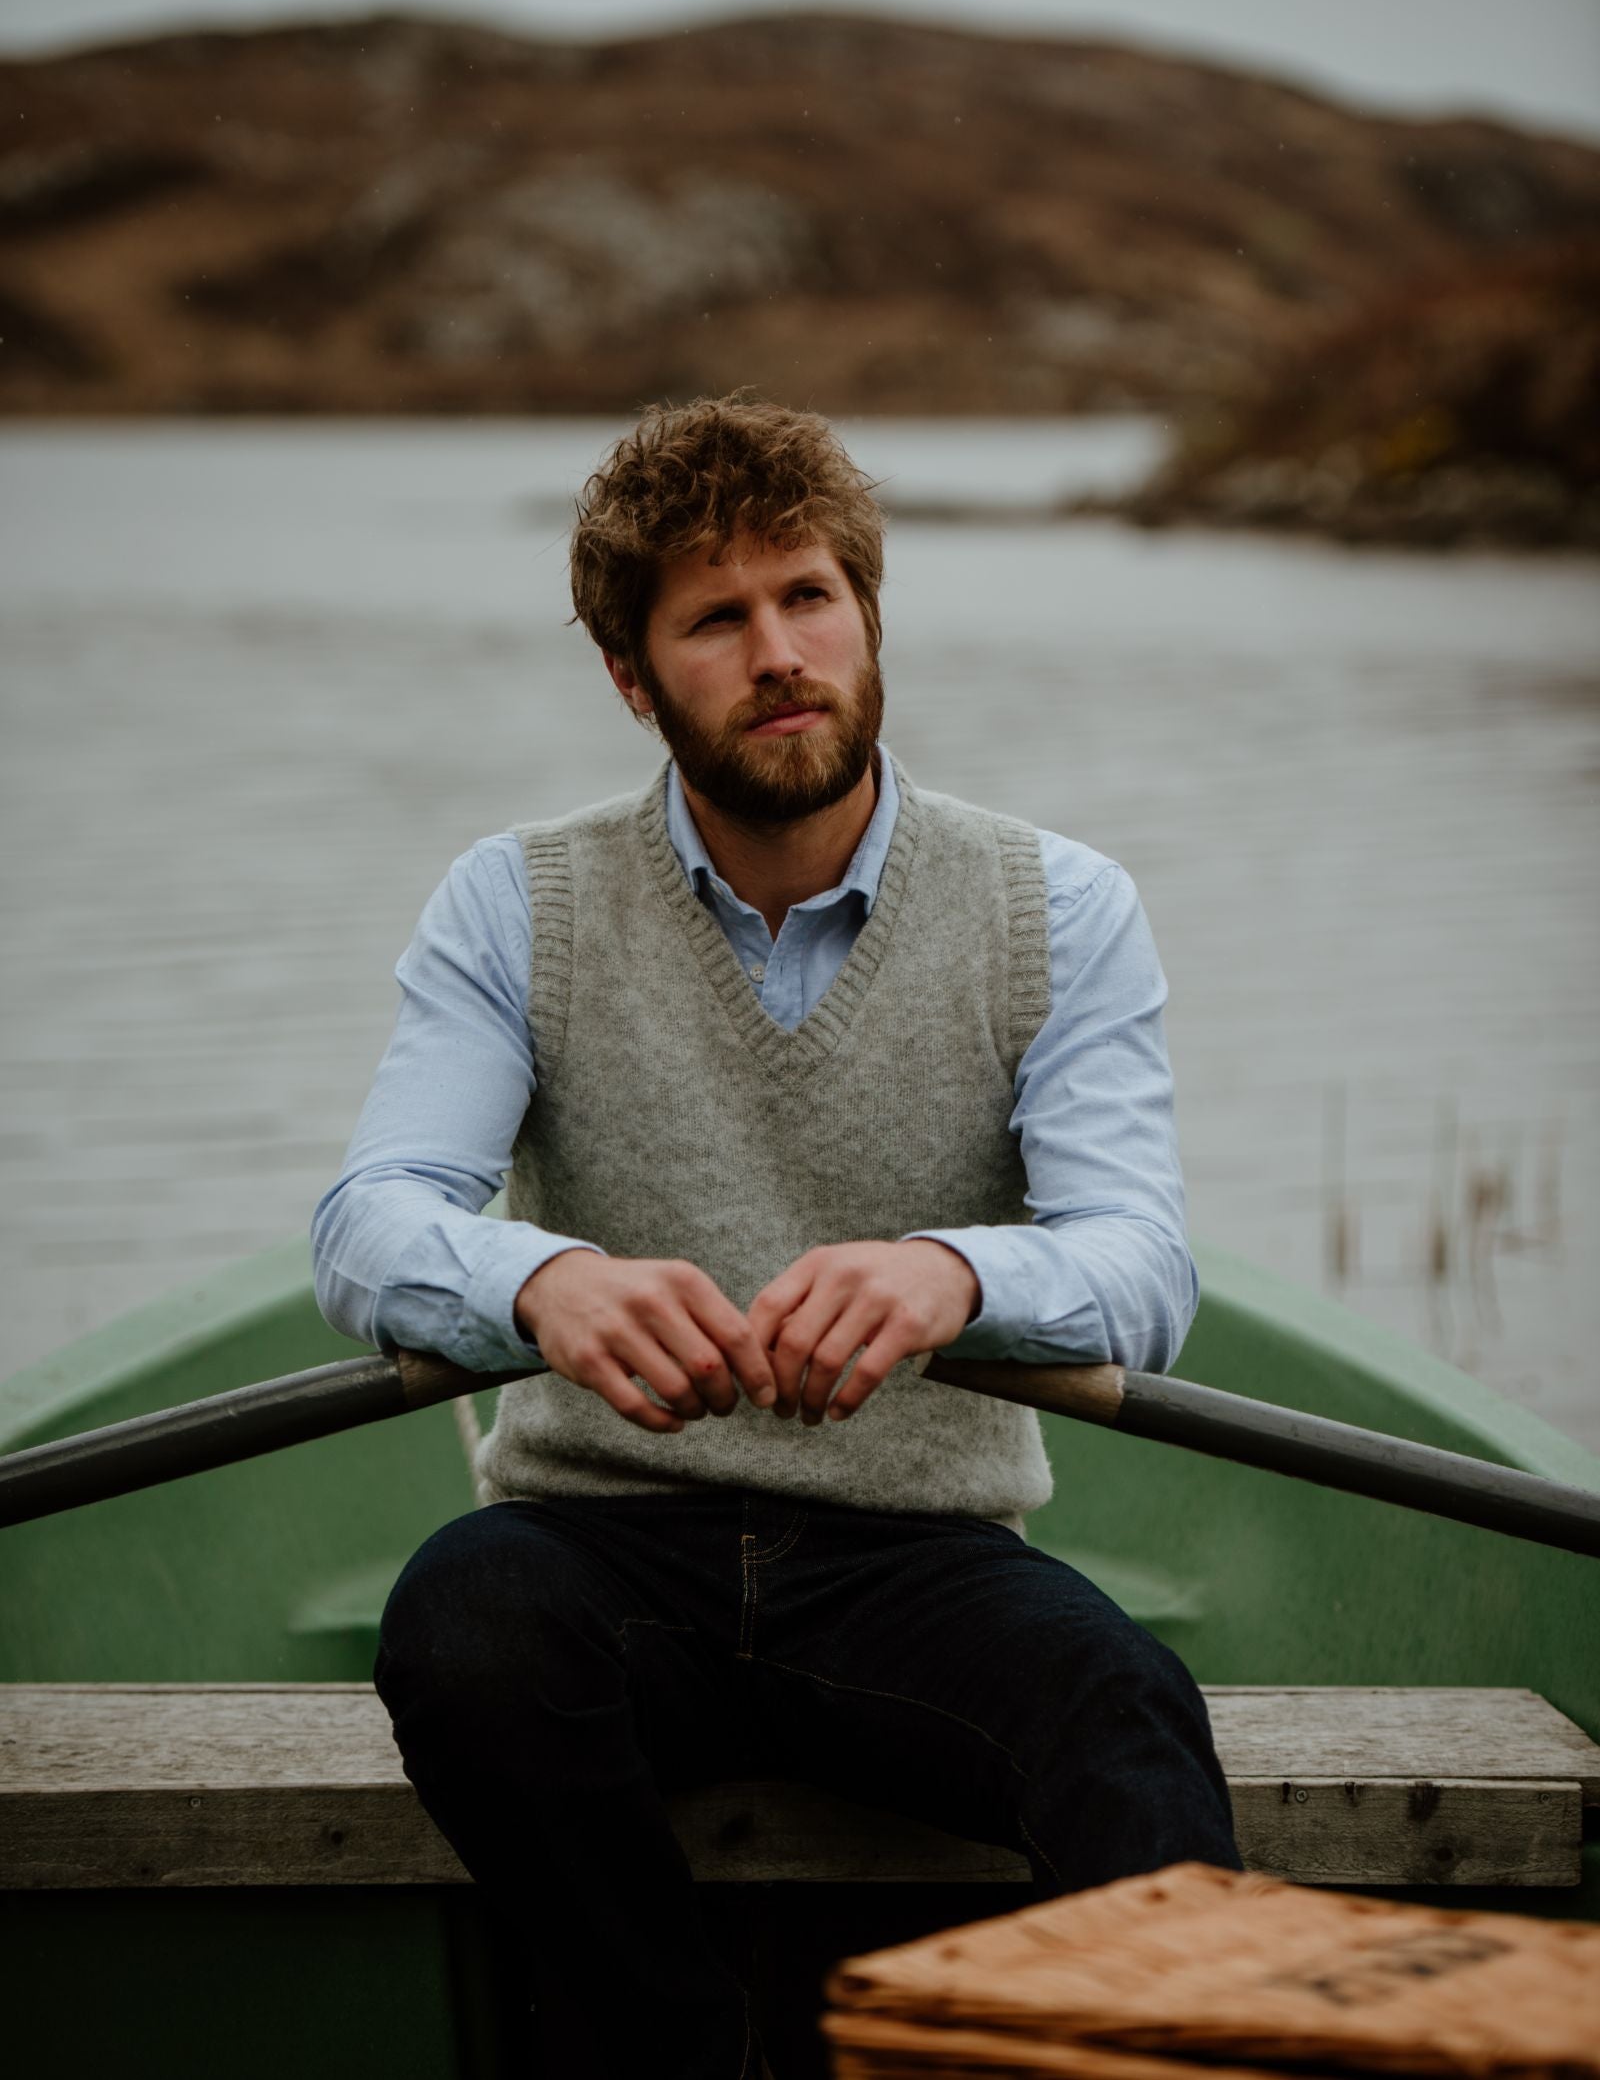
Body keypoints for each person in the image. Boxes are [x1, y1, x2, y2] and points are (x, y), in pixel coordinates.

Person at [312, 391, 1242, 2080]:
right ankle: (684, 2052)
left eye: (811, 596)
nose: (780, 650)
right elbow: (369, 1224)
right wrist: (544, 1279)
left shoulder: (1059, 908)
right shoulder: (517, 901)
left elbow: (1144, 1270)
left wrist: (960, 1268)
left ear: (870, 615)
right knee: (464, 1624)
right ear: (634, 674)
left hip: (923, 1567)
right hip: (606, 1557)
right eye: (716, 618)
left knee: (1126, 1715)